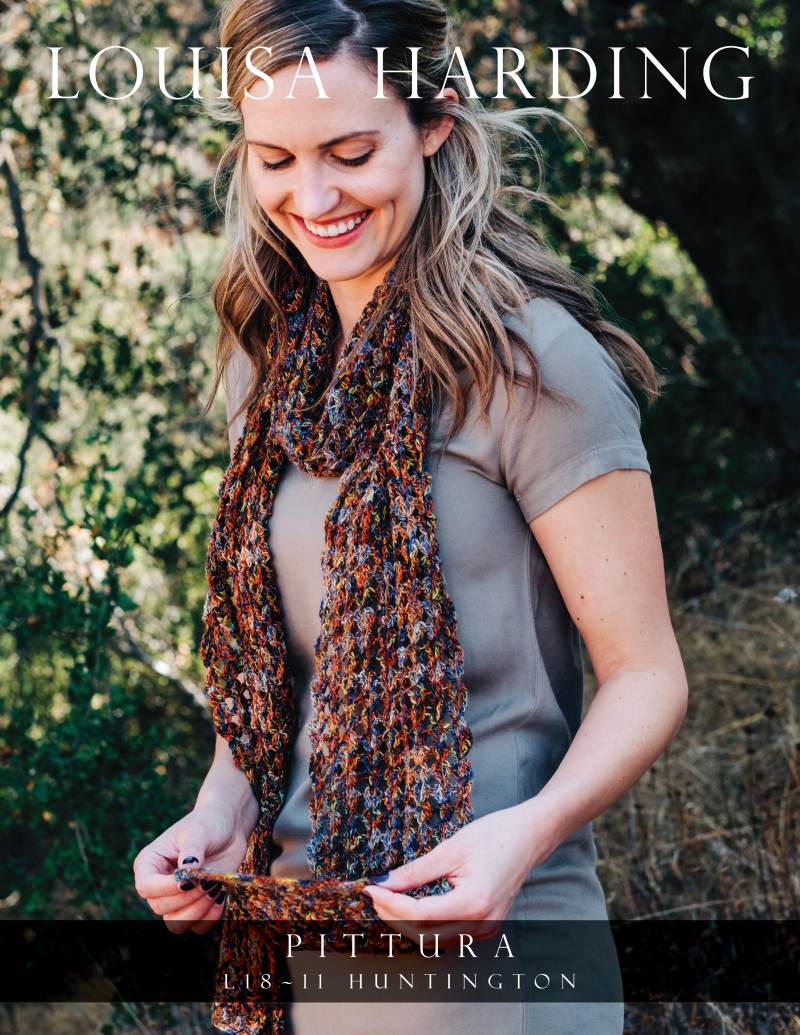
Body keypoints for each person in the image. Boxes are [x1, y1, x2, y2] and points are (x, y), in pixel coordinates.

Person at [133, 1, 689, 1032]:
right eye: (274, 160)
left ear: (434, 121)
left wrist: (523, 836)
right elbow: (277, 693)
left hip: (496, 947)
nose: (313, 198)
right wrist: (214, 818)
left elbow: (647, 676)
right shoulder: (274, 377)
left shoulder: (529, 363)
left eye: (351, 154)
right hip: (310, 952)